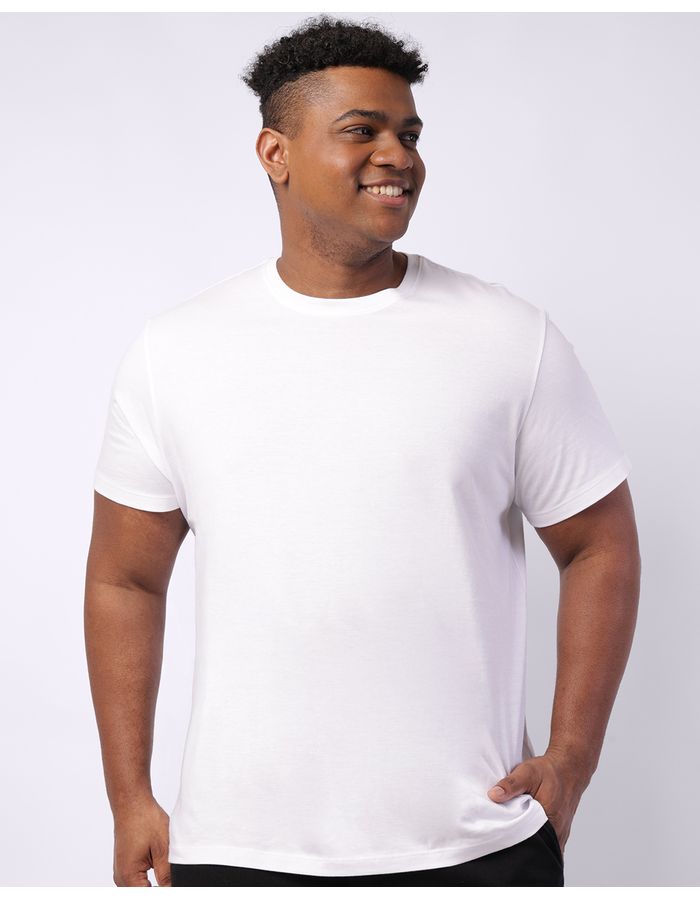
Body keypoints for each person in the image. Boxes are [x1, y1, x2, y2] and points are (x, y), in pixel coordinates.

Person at [84, 13, 641, 888]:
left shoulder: (508, 338)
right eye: (363, 131)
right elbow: (125, 578)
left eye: (409, 134)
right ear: (275, 153)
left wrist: (572, 759)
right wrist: (129, 797)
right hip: (239, 851)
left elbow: (599, 543)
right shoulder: (175, 353)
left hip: (475, 844)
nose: (398, 156)